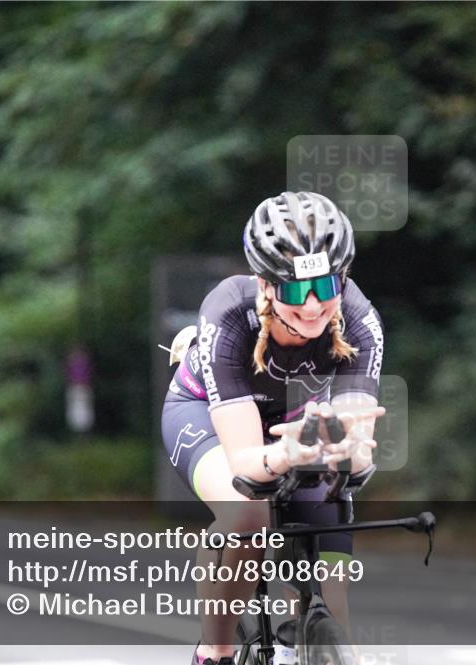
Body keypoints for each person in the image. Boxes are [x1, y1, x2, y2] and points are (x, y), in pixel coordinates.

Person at [161, 191, 386, 665]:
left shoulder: (360, 319)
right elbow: (245, 461)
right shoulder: (227, 311)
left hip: (296, 424)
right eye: (292, 290)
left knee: (332, 598)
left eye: (324, 288)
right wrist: (283, 457)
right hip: (204, 412)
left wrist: (348, 448)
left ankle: (295, 645)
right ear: (265, 286)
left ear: (341, 280)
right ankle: (216, 649)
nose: (310, 307)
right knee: (247, 517)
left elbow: (359, 448)